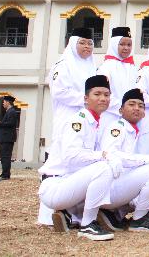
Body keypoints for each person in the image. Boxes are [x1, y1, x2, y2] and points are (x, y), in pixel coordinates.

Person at [38, 75, 116, 241]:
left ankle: (70, 214)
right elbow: (71, 157)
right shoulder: (77, 121)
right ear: (86, 98)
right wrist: (102, 155)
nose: (103, 98)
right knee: (104, 168)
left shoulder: (95, 123)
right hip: (55, 185)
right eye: (97, 94)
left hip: (70, 184)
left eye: (107, 95)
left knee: (110, 171)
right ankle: (87, 225)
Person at [96, 88, 149, 233]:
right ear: (121, 110)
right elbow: (111, 155)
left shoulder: (133, 131)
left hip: (116, 187)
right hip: (108, 188)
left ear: (144, 113)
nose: (136, 108)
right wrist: (147, 159)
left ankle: (115, 214)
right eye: (131, 104)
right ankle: (139, 219)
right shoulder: (117, 127)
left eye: (141, 106)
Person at [47, 27, 96, 153]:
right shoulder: (63, 65)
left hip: (88, 115)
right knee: (65, 150)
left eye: (90, 43)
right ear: (73, 44)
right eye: (82, 43)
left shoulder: (92, 66)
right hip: (68, 114)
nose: (87, 46)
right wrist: (87, 100)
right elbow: (59, 92)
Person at [97, 27, 138, 131]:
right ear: (114, 44)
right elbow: (103, 94)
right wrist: (124, 108)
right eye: (122, 44)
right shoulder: (105, 67)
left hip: (129, 117)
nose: (126, 48)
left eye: (129, 45)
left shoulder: (133, 67)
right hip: (110, 116)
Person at [0, 95, 19, 181]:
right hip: (5, 138)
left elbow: (11, 123)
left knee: (5, 157)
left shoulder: (12, 112)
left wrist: (0, 123)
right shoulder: (9, 111)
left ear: (8, 102)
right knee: (4, 156)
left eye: (4, 102)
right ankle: (5, 174)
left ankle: (5, 175)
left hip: (8, 138)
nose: (3, 104)